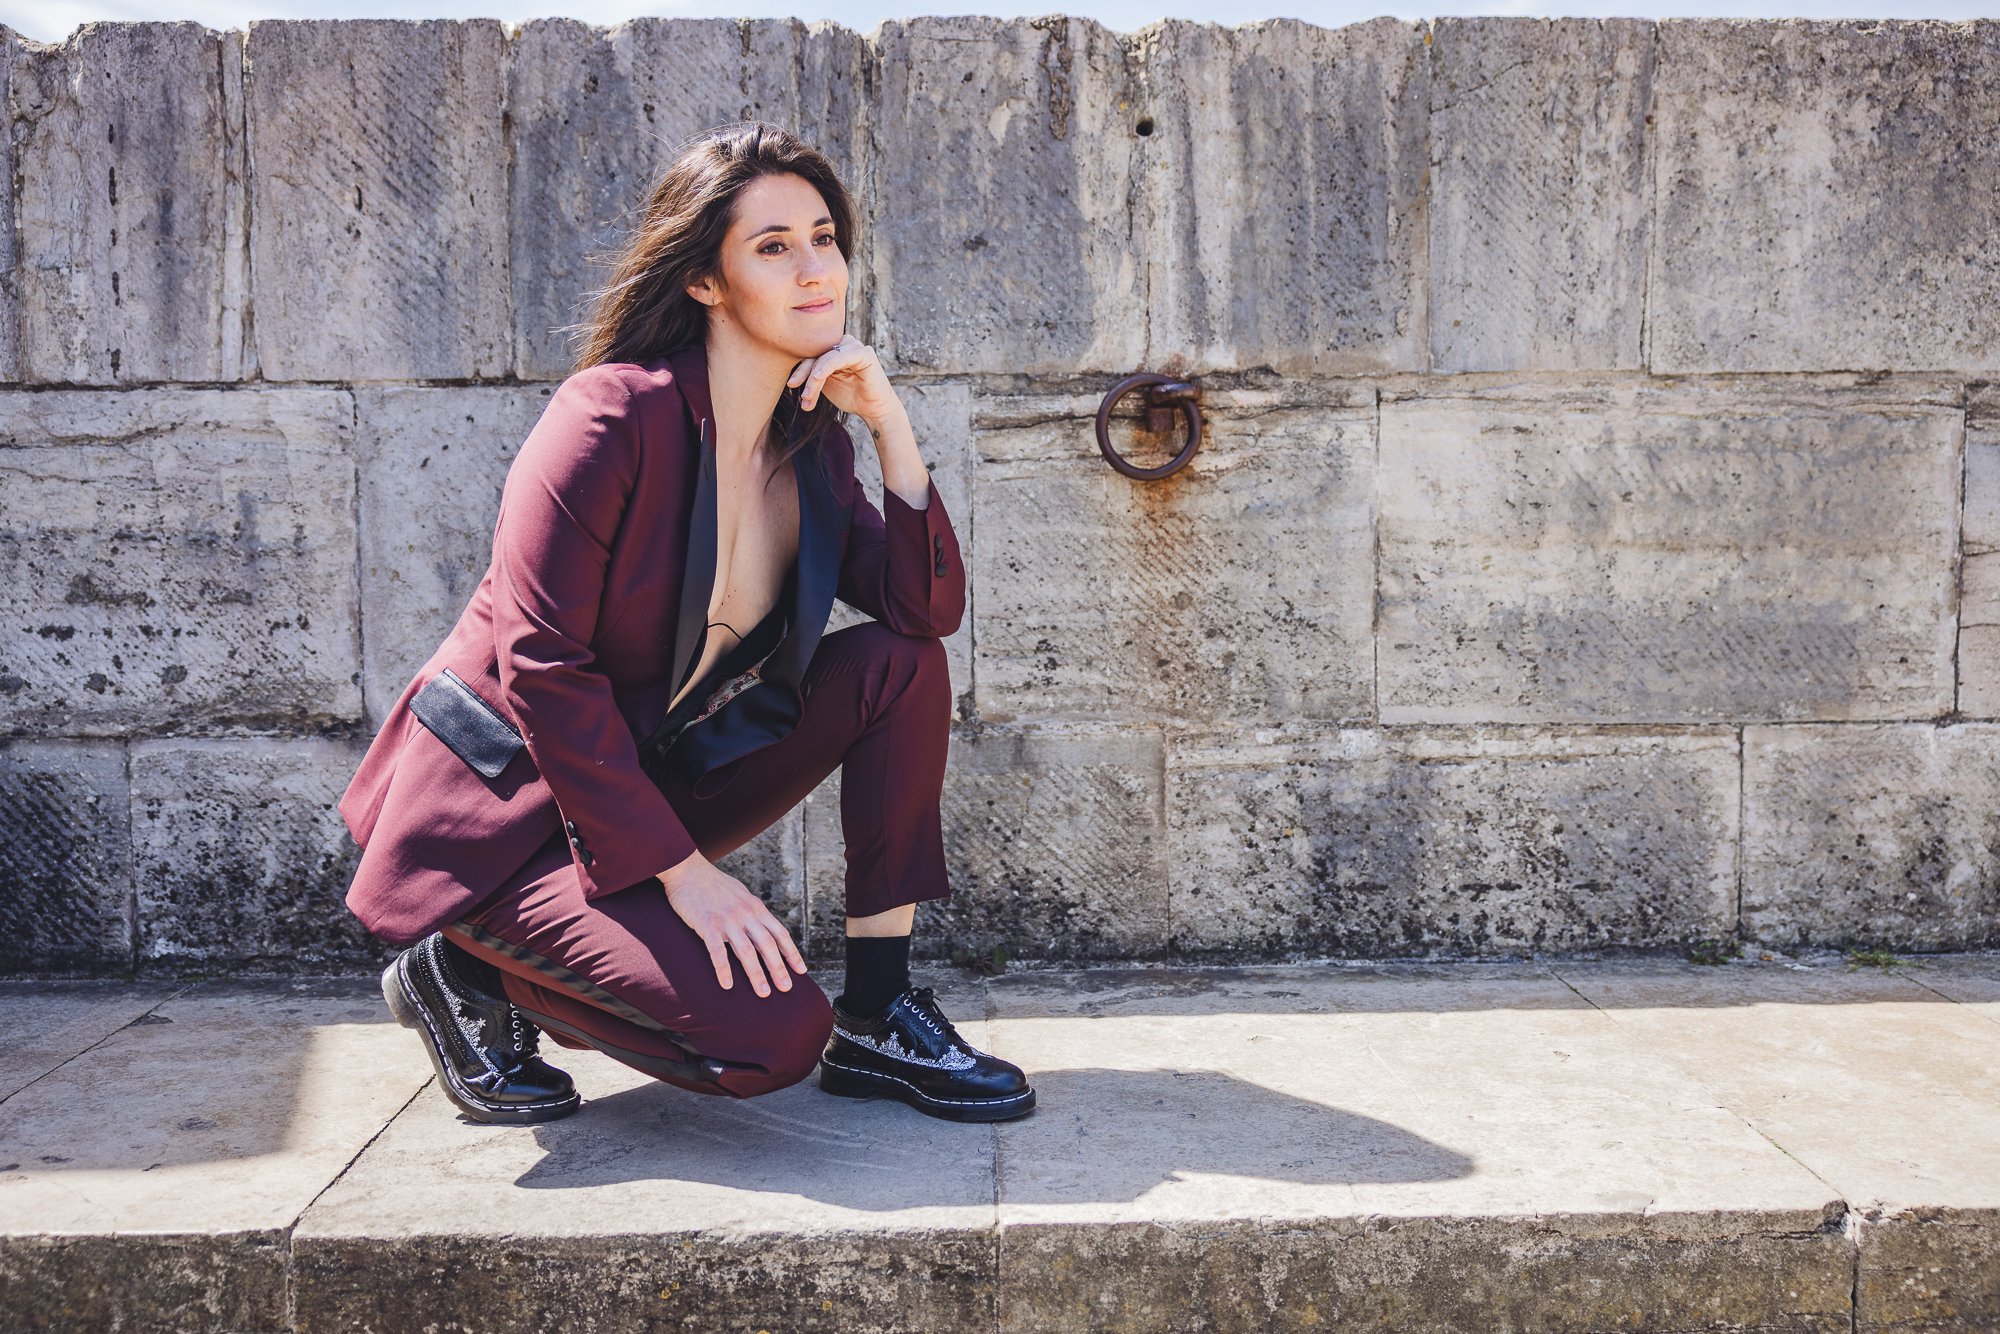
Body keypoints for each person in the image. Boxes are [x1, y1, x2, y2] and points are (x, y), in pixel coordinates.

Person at [339, 121, 1034, 1126]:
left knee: (898, 664)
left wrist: (891, 430)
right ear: (704, 281)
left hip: (636, 784)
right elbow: (541, 665)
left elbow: (925, 613)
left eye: (824, 236)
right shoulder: (608, 416)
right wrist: (683, 875)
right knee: (770, 1041)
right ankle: (462, 967)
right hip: (503, 819)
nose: (813, 269)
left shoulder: (814, 452)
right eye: (771, 246)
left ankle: (880, 1008)